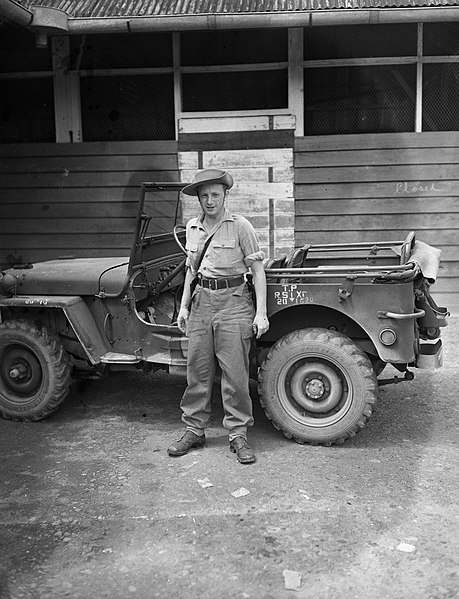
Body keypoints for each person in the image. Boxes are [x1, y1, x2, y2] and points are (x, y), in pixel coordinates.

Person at [167, 169, 269, 464]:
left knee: (235, 375)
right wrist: (184, 306)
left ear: (225, 195)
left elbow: (257, 271)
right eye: (204, 195)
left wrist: (261, 313)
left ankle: (237, 435)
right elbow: (191, 270)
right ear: (198, 198)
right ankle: (194, 430)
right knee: (197, 371)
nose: (209, 201)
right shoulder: (193, 228)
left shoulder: (241, 227)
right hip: (201, 304)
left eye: (215, 194)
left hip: (234, 304)